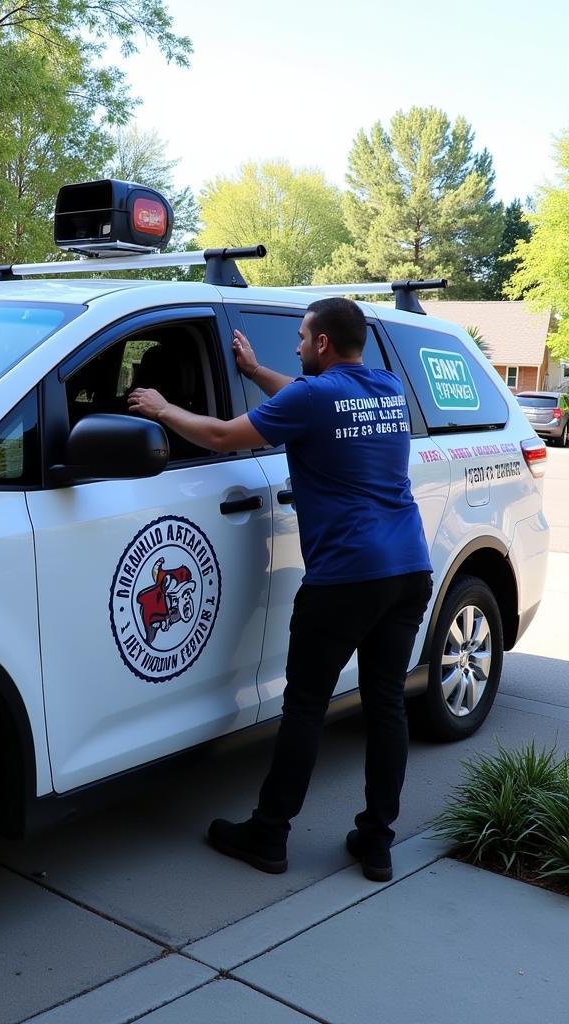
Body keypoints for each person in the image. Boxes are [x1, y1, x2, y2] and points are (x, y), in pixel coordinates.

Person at [127, 297, 433, 882]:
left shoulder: (314, 398)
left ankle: (269, 835)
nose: (294, 346)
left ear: (321, 344)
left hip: (345, 577)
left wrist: (163, 408)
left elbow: (221, 436)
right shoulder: (386, 388)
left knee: (305, 709)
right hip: (407, 569)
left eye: (300, 337)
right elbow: (308, 396)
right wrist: (255, 372)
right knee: (387, 703)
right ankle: (376, 843)